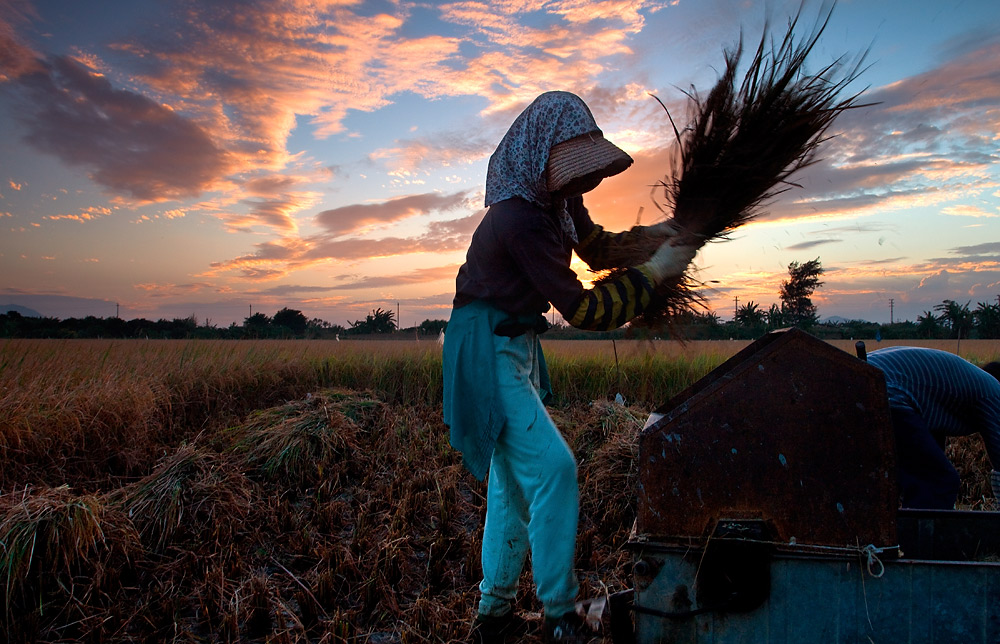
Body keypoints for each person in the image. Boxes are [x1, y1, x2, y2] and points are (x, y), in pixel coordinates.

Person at [442, 91, 698, 644]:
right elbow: (582, 308)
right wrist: (656, 274)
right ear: (538, 158)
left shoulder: (555, 205)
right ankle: (561, 615)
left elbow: (600, 249)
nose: (580, 186)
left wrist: (664, 236)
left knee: (512, 486)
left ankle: (494, 616)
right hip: (484, 346)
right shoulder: (518, 219)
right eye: (571, 172)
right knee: (555, 470)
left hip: (513, 344)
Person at [866, 345, 1000, 509]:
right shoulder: (995, 392)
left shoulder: (952, 388)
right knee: (939, 482)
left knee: (891, 479)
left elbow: (926, 444)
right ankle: (921, 534)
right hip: (886, 390)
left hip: (857, 379)